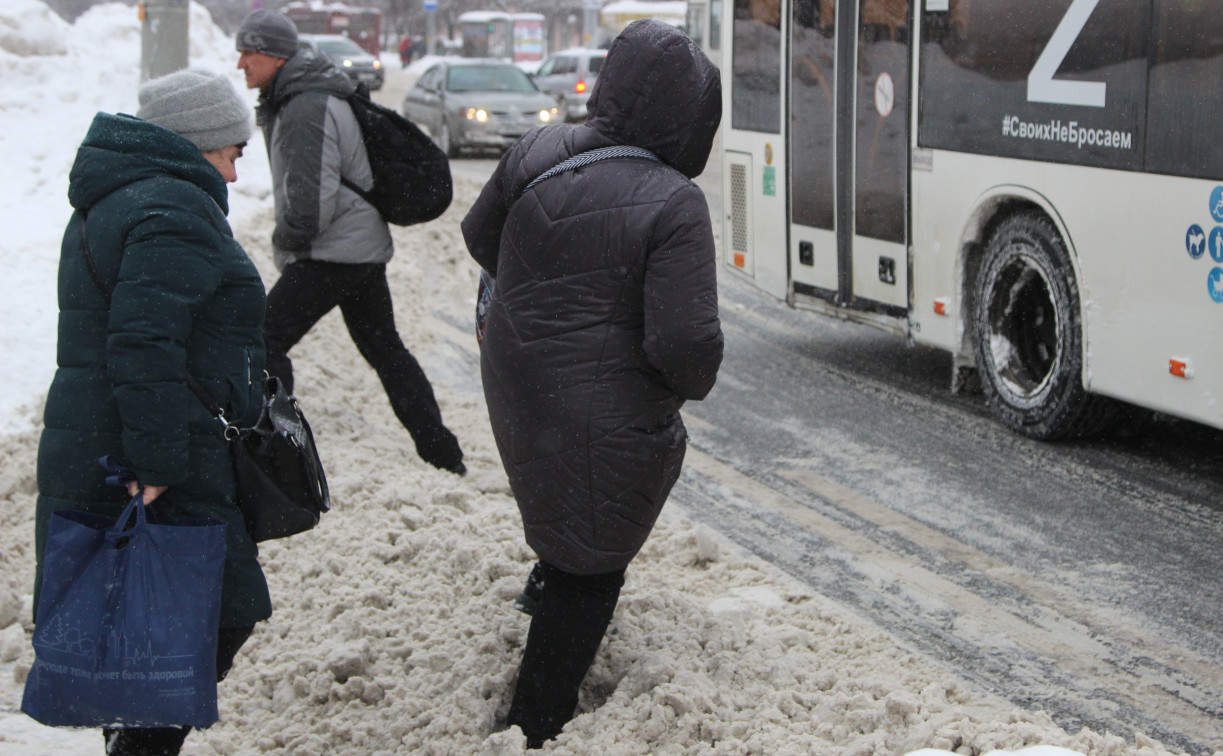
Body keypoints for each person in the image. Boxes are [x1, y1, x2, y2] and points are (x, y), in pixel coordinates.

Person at [461, 19, 724, 748]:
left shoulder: (538, 148)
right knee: (592, 560)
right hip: (599, 403)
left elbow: (481, 239)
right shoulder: (673, 201)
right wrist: (682, 383)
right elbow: (684, 342)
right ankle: (535, 721)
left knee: (564, 504)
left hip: (515, 375)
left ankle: (543, 600)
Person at [32, 69, 269, 755]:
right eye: (232, 150)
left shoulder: (120, 198)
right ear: (196, 143)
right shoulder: (171, 210)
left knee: (138, 631)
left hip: (105, 441)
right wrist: (160, 461)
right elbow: (142, 341)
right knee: (208, 622)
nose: (233, 167)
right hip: (156, 454)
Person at [235, 9, 465, 474]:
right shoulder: (302, 96)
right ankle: (443, 454)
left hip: (334, 251)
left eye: (248, 52)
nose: (241, 63)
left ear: (275, 56)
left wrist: (286, 239)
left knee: (262, 340)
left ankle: (281, 452)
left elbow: (310, 205)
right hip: (353, 246)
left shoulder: (305, 104)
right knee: (385, 349)